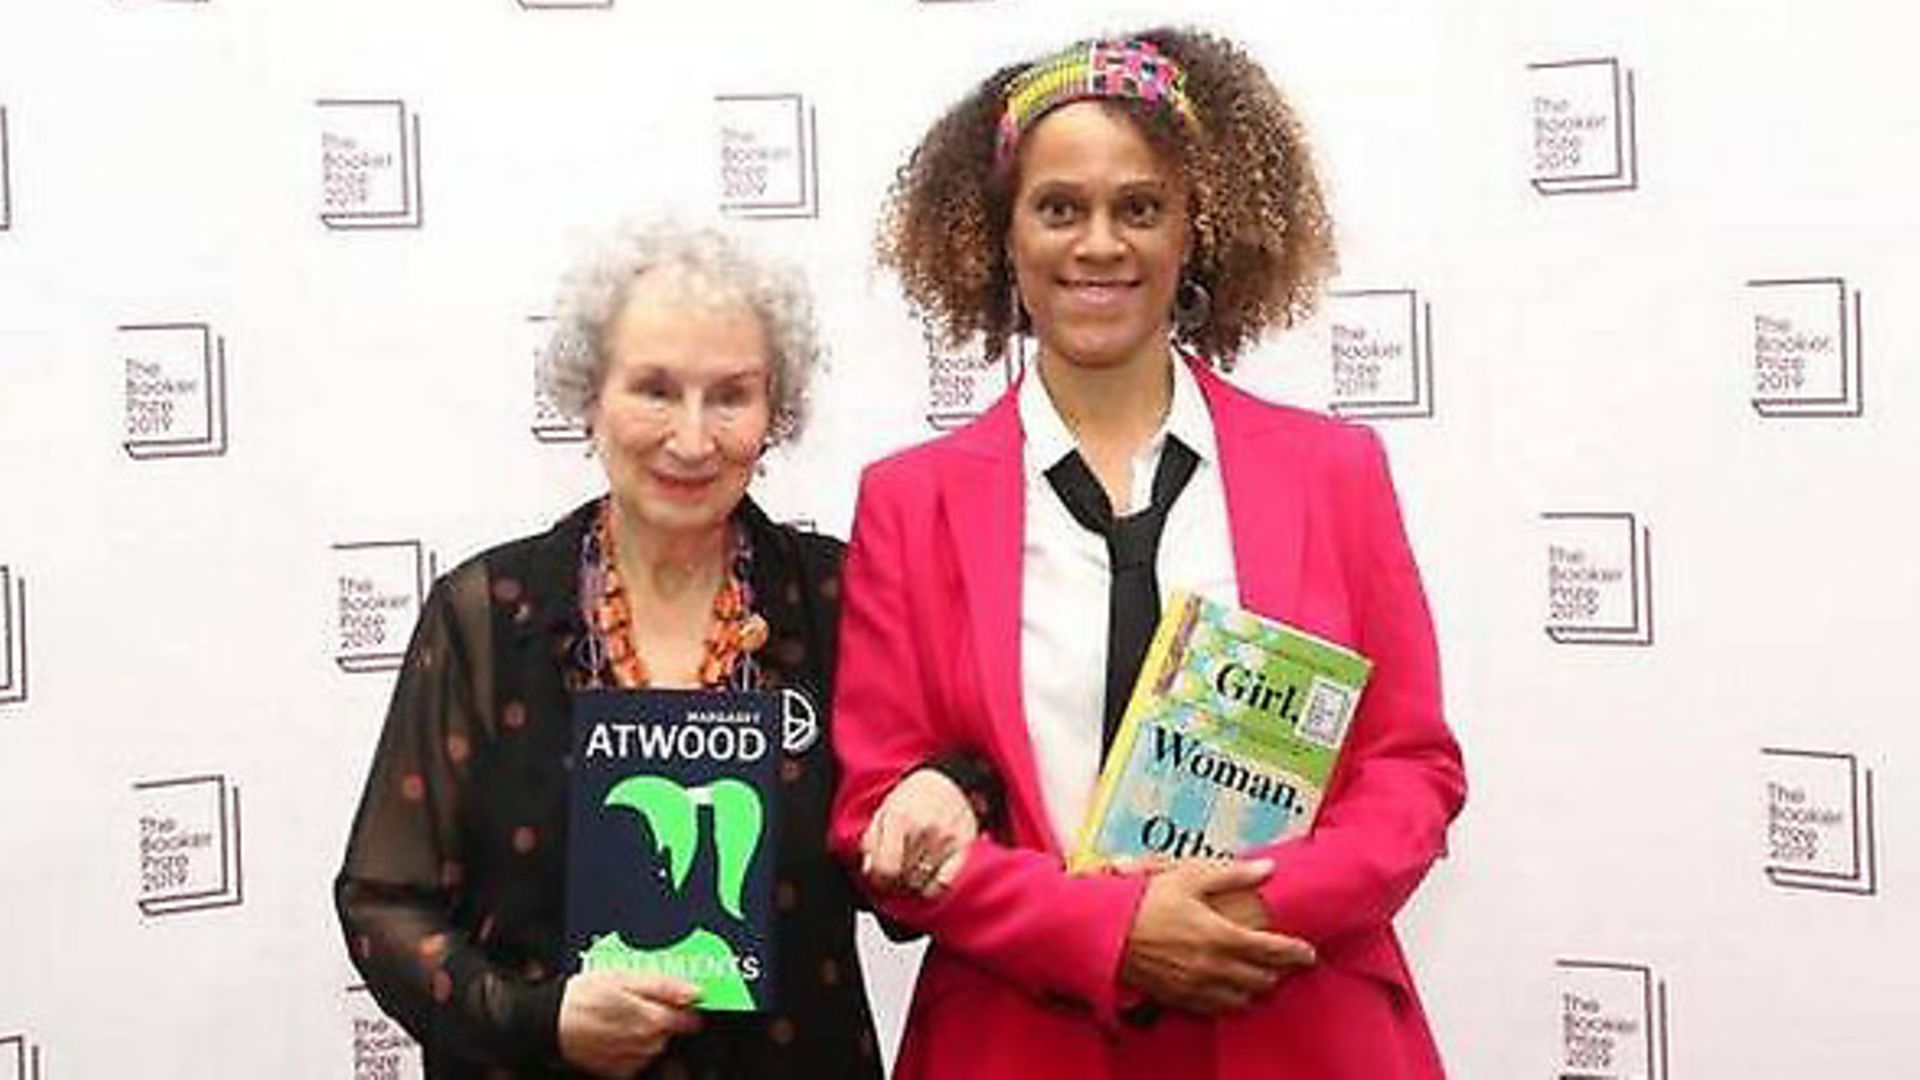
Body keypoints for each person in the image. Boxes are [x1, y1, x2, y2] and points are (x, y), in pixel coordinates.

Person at [831, 28, 1467, 1079]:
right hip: (1019, 1038)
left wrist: (1244, 911)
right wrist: (1110, 934)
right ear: (1003, 235)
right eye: (1058, 207)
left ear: (1193, 232)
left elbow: (1410, 769)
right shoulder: (912, 502)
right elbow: (877, 821)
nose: (1099, 244)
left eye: (1140, 207)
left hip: (1298, 1024)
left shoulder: (1332, 470)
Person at [334, 221, 978, 1078]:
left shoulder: (840, 599)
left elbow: (932, 831)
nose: (691, 437)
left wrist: (949, 793)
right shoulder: (487, 614)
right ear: (588, 397)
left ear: (774, 412)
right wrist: (542, 1018)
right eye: (654, 390)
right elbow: (385, 903)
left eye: (731, 395)